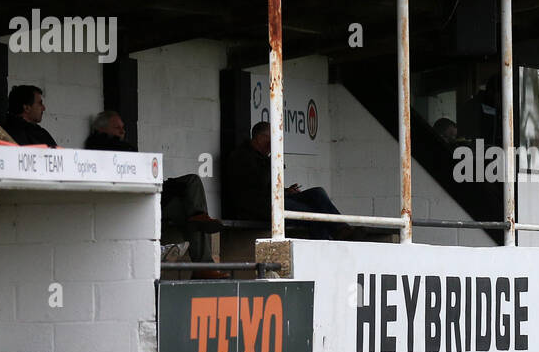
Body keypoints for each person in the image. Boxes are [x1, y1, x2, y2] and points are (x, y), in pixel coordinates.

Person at [84, 111, 223, 268]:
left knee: (191, 202)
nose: (122, 131)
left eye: (123, 127)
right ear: (102, 129)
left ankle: (200, 228)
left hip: (151, 195)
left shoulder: (123, 148)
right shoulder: (100, 147)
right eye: (117, 128)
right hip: (140, 201)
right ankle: (204, 267)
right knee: (191, 203)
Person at [223, 122, 347, 240]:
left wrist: (286, 191)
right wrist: (273, 163)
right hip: (256, 206)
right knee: (312, 214)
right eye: (270, 139)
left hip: (271, 199)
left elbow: (267, 186)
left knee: (317, 193)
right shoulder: (241, 157)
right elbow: (257, 186)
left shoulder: (262, 157)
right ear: (260, 138)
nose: (273, 143)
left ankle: (343, 230)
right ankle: (322, 245)